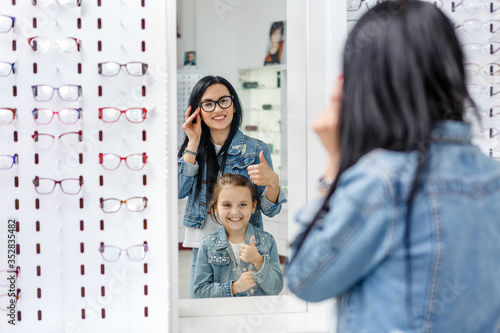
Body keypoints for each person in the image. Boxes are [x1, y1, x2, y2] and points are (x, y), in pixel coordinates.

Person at [286, 1, 500, 332]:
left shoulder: (382, 182)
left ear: (364, 84)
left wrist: (334, 165)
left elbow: (305, 279)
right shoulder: (493, 178)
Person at [178, 75, 286, 298]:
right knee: (203, 311)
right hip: (203, 245)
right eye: (208, 104)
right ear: (197, 110)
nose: (217, 109)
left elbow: (270, 209)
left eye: (224, 101)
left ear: (234, 105)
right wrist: (192, 141)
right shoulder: (192, 148)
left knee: (244, 308)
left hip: (244, 245)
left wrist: (273, 182)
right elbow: (179, 190)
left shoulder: (256, 149)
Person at [193, 173, 283, 298]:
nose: (235, 212)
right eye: (226, 205)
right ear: (216, 209)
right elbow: (199, 292)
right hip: (222, 315)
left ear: (253, 206)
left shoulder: (267, 241)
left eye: (242, 204)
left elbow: (276, 288)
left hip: (256, 315)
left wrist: (258, 261)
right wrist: (234, 287)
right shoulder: (207, 244)